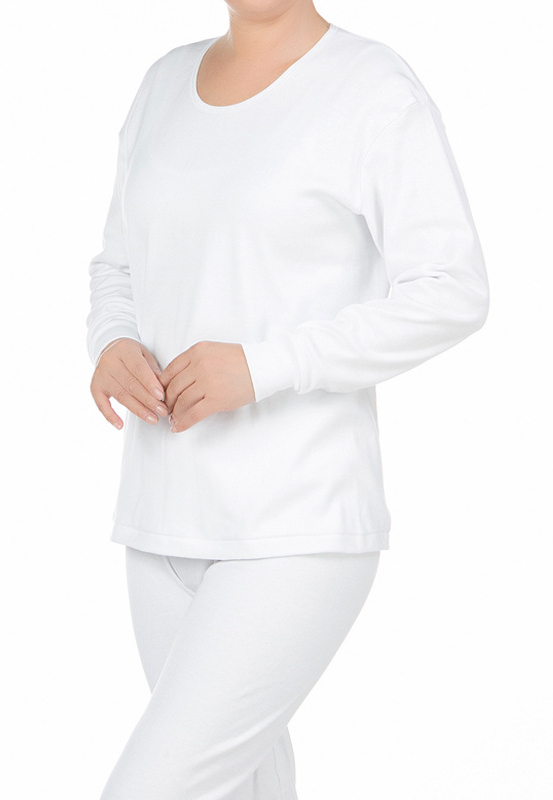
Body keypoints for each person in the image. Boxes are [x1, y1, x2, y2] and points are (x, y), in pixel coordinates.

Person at [85, 2, 489, 798]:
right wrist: (112, 342)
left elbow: (453, 289)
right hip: (161, 517)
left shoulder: (372, 86)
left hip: (295, 518)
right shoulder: (163, 84)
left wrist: (265, 366)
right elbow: (118, 266)